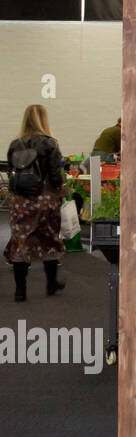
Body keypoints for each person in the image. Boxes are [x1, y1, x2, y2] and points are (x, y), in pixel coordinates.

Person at [5, 105, 68, 302]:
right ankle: (51, 284)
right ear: (43, 120)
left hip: (21, 200)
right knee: (49, 239)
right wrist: (61, 189)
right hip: (45, 198)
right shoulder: (50, 143)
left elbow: (10, 170)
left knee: (21, 240)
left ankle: (20, 291)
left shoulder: (15, 144)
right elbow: (55, 174)